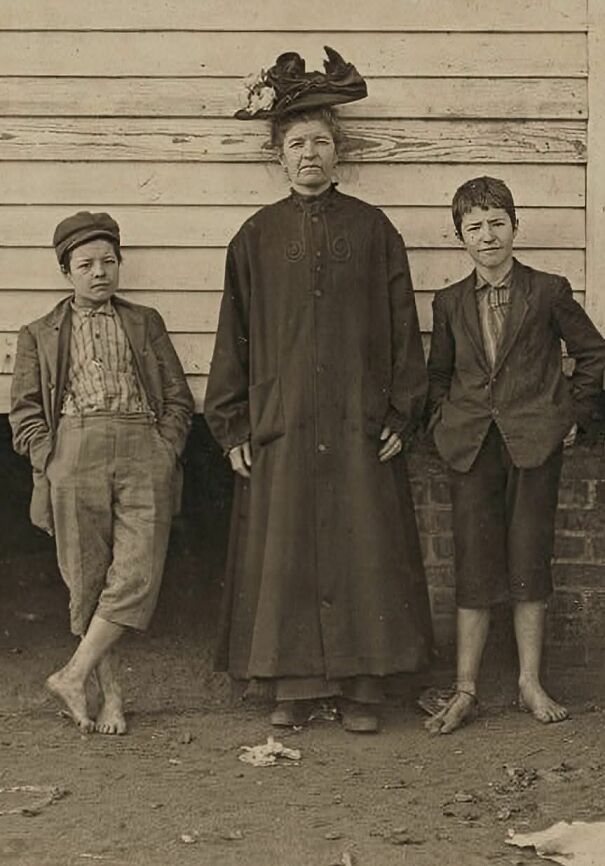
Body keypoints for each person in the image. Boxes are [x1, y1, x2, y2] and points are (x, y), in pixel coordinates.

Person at [205, 47, 433, 733]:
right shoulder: (254, 237)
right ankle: (293, 684)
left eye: (321, 142)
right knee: (286, 551)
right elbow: (232, 337)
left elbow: (403, 330)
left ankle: (364, 689)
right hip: (283, 421)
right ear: (279, 156)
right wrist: (233, 424)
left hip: (359, 421)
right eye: (297, 143)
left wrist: (400, 410)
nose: (310, 154)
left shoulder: (372, 229)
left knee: (363, 547)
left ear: (340, 152)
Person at [425, 176, 605, 734]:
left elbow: (593, 354)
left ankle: (529, 681)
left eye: (497, 223)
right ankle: (466, 689)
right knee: (475, 563)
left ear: (515, 227)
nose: (488, 236)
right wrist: (441, 426)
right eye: (474, 228)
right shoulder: (450, 301)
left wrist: (572, 418)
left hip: (533, 446)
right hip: (472, 448)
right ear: (461, 238)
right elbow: (438, 376)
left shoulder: (548, 290)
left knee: (529, 559)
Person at [10, 211, 194, 734]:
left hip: (142, 447)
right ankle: (110, 697)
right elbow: (24, 410)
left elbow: (178, 396)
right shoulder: (39, 334)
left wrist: (165, 448)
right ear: (66, 271)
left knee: (136, 574)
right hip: (75, 448)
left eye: (108, 262)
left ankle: (73, 674)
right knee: (88, 581)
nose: (99, 273)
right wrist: (51, 460)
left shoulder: (144, 321)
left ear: (120, 265)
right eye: (86, 264)